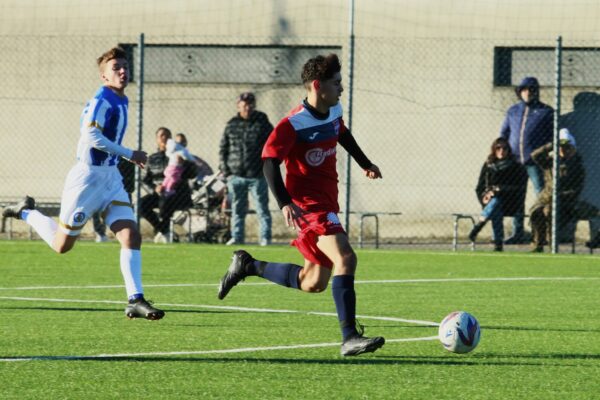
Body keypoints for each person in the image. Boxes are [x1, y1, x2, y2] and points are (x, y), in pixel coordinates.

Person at [217, 54, 385, 356]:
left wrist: (365, 163)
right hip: (308, 206)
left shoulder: (334, 109)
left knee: (313, 282)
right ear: (318, 86)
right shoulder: (292, 124)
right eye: (336, 83)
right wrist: (284, 203)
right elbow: (269, 162)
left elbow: (342, 134)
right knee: (345, 258)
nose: (341, 89)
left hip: (326, 202)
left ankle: (248, 265)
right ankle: (349, 338)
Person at [1, 47, 164, 320]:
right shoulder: (102, 99)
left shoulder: (121, 99)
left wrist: (122, 158)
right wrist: (129, 154)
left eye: (125, 66)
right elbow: (90, 136)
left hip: (111, 178)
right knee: (62, 245)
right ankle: (25, 212)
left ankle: (135, 299)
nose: (122, 71)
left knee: (131, 235)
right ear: (104, 76)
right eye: (116, 68)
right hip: (87, 179)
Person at [499, 76, 554, 244]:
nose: (528, 92)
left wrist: (541, 153)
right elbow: (504, 134)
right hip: (515, 162)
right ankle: (518, 233)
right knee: (517, 197)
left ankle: (543, 234)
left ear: (536, 92)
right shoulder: (513, 111)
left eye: (531, 89)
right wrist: (504, 152)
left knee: (542, 196)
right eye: (524, 89)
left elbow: (553, 137)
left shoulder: (547, 112)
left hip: (536, 163)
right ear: (519, 92)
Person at [529, 129, 599, 252]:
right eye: (561, 147)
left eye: (568, 147)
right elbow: (534, 156)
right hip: (546, 198)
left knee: (549, 210)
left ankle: (552, 246)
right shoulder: (550, 162)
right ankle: (537, 245)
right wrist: (551, 145)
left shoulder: (577, 166)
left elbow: (576, 190)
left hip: (566, 202)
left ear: (573, 149)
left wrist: (558, 196)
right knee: (537, 212)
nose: (564, 150)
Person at [219, 92, 273, 246]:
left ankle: (265, 238)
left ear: (254, 105)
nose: (247, 108)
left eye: (250, 105)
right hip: (236, 175)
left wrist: (267, 166)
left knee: (262, 208)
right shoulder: (232, 124)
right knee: (237, 209)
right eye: (244, 105)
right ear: (238, 106)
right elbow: (223, 148)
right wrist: (227, 171)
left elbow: (272, 143)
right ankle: (237, 237)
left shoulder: (262, 121)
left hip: (257, 175)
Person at [139, 127, 197, 243]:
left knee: (166, 203)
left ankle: (163, 232)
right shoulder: (152, 159)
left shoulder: (178, 155)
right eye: (162, 135)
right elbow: (144, 180)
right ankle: (164, 231)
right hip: (158, 193)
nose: (165, 138)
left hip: (178, 194)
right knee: (141, 205)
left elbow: (193, 174)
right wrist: (154, 188)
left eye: (168, 136)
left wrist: (185, 163)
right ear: (157, 139)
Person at [468, 138, 527, 251]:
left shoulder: (516, 166)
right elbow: (479, 188)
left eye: (504, 148)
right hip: (491, 202)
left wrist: (501, 190)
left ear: (508, 150)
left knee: (496, 203)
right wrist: (483, 200)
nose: (501, 151)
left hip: (511, 203)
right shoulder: (489, 165)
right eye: (498, 148)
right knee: (495, 204)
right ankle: (498, 244)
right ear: (494, 150)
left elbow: (520, 188)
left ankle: (481, 225)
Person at [92, 158, 135, 242]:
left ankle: (124, 233)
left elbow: (130, 186)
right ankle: (100, 233)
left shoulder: (127, 162)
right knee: (95, 205)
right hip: (103, 191)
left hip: (121, 192)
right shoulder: (101, 161)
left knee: (123, 212)